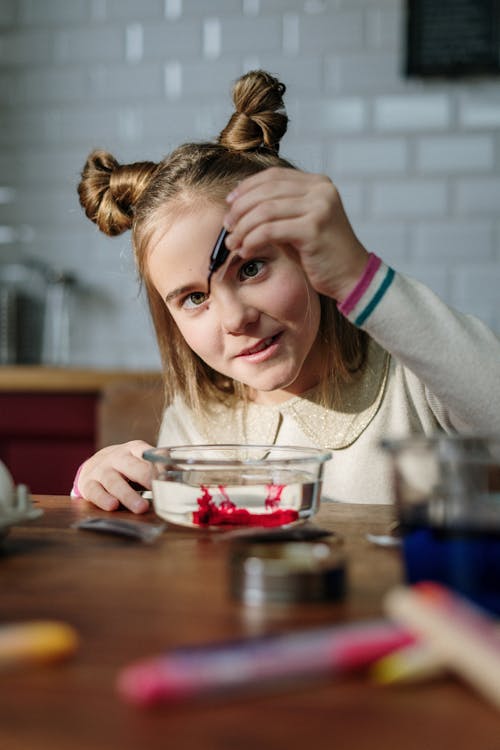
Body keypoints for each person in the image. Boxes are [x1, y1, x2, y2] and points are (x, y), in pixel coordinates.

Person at [74, 69, 500, 513]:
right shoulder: (193, 422)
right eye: (195, 298)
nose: (236, 319)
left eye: (251, 268)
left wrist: (360, 276)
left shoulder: (413, 378)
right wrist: (101, 486)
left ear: (307, 254)